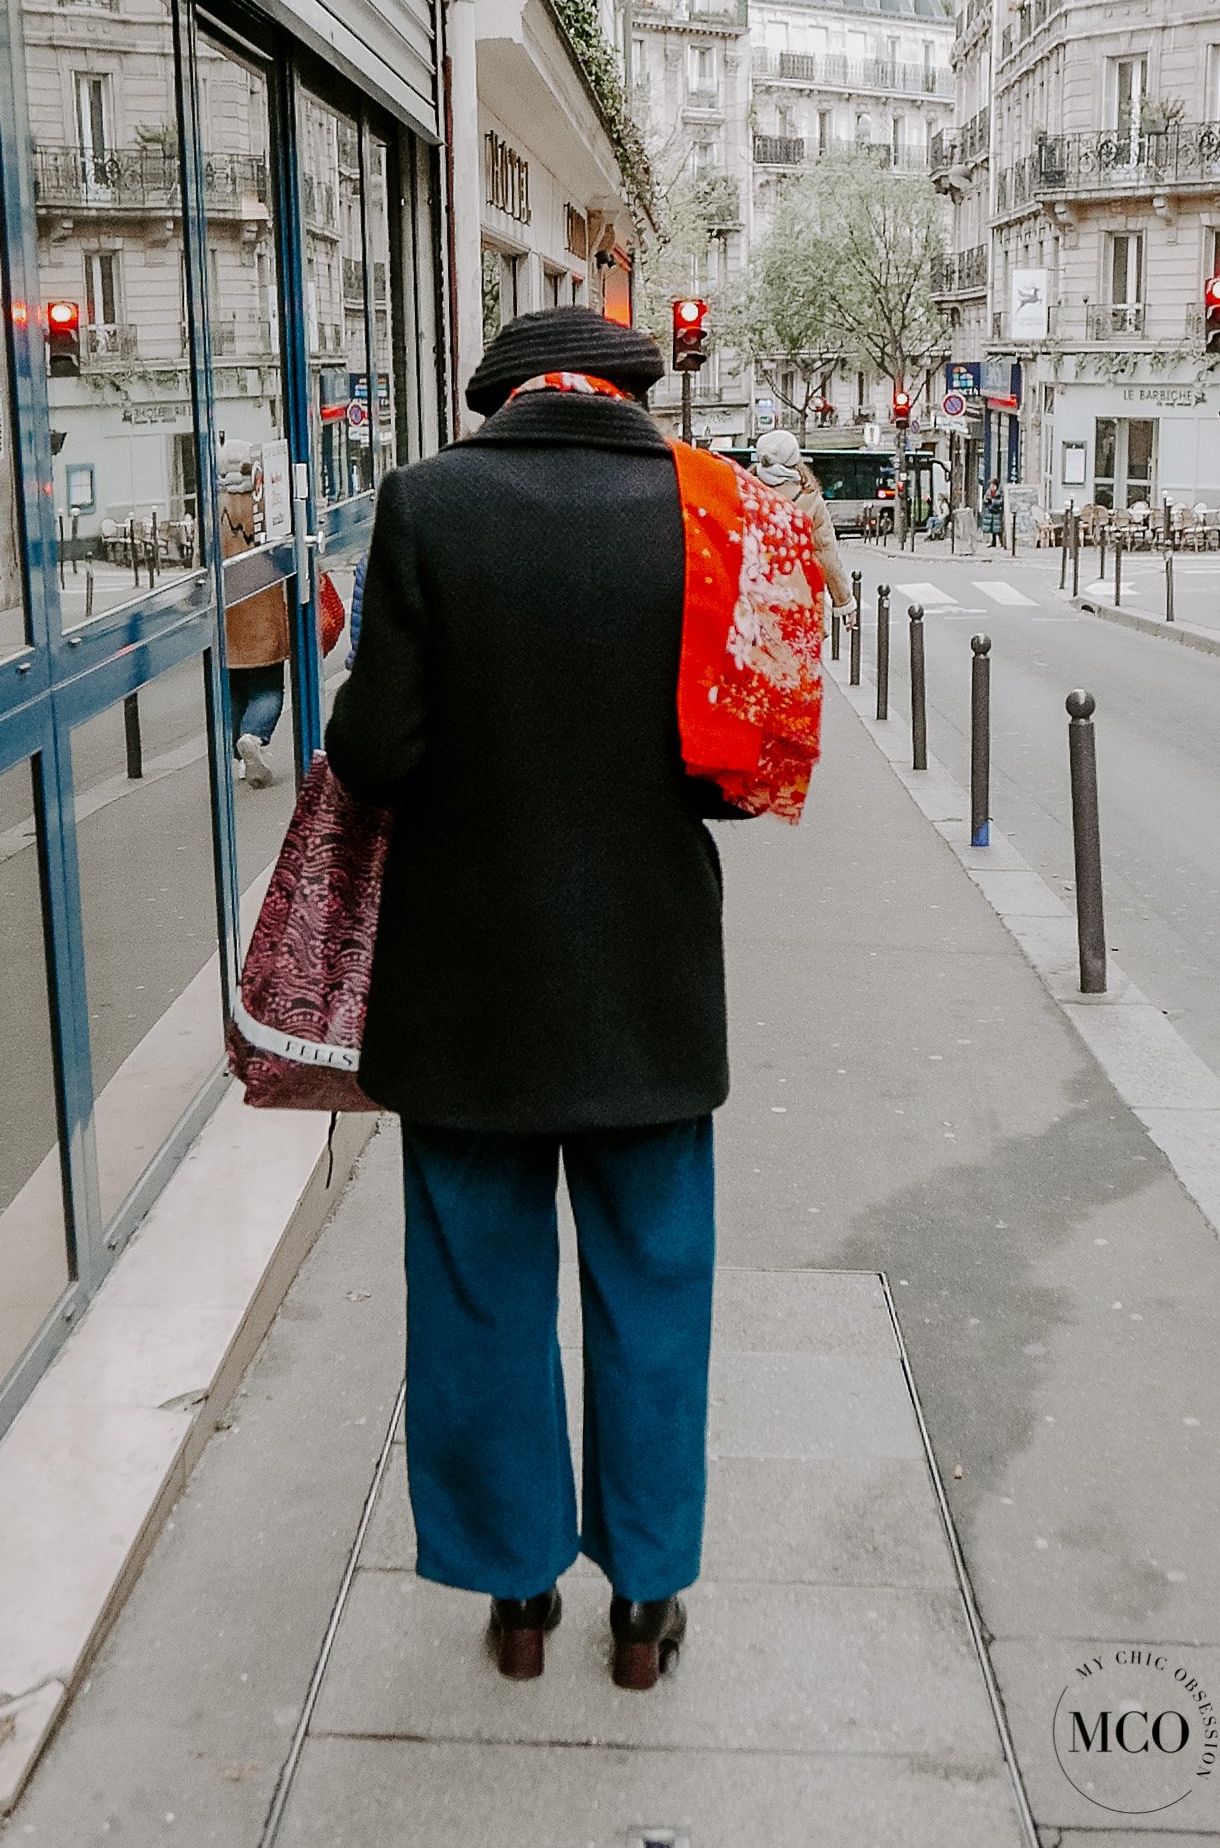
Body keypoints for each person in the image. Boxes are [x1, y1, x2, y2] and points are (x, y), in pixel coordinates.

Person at [325, 309, 752, 1691]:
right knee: (654, 1287)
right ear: (635, 393)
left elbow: (374, 753)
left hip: (466, 984)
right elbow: (733, 774)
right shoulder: (712, 514)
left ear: (499, 399)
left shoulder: (427, 503)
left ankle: (517, 1596)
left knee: (477, 1292)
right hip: (648, 979)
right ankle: (644, 1603)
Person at [220, 441, 288, 788]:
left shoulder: (214, 507)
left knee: (234, 689)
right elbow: (286, 554)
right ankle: (253, 736)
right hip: (264, 611)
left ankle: (240, 753)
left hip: (227, 617)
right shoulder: (267, 501)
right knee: (268, 688)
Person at [753, 428, 857, 624]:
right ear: (794, 460)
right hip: (800, 604)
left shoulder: (745, 492)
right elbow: (827, 554)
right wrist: (844, 602)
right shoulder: (811, 500)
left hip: (756, 605)